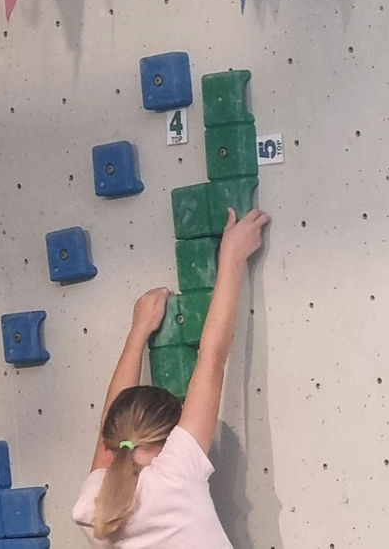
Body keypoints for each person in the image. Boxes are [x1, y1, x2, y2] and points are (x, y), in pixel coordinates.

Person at [72, 207, 271, 547]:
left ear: (109, 451)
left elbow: (111, 433)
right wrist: (232, 257)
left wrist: (137, 335)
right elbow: (211, 360)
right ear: (169, 441)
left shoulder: (92, 510)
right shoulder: (175, 478)